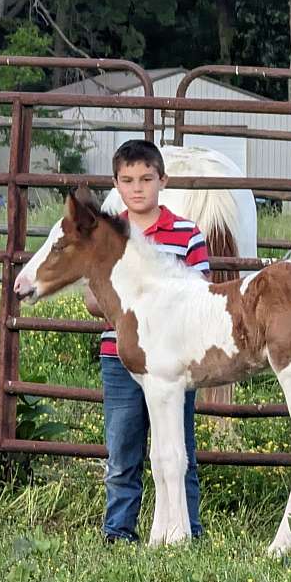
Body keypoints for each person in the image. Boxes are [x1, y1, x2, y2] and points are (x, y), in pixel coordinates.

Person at [84, 139, 209, 543]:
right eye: (127, 180)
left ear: (162, 180)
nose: (137, 188)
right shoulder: (107, 236)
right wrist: (132, 309)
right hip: (119, 354)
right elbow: (92, 300)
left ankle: (187, 527)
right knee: (123, 450)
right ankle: (119, 530)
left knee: (180, 447)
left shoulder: (187, 234)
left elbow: (199, 297)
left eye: (146, 179)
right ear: (116, 185)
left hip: (175, 359)